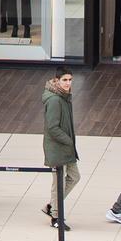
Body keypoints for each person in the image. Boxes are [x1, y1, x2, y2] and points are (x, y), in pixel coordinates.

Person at [42, 68, 78, 231]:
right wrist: (68, 141)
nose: (68, 83)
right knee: (58, 182)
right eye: (65, 80)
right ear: (56, 80)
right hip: (58, 148)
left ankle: (52, 206)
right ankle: (56, 217)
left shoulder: (64, 96)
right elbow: (52, 127)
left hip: (65, 147)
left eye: (70, 80)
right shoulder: (55, 100)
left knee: (74, 177)